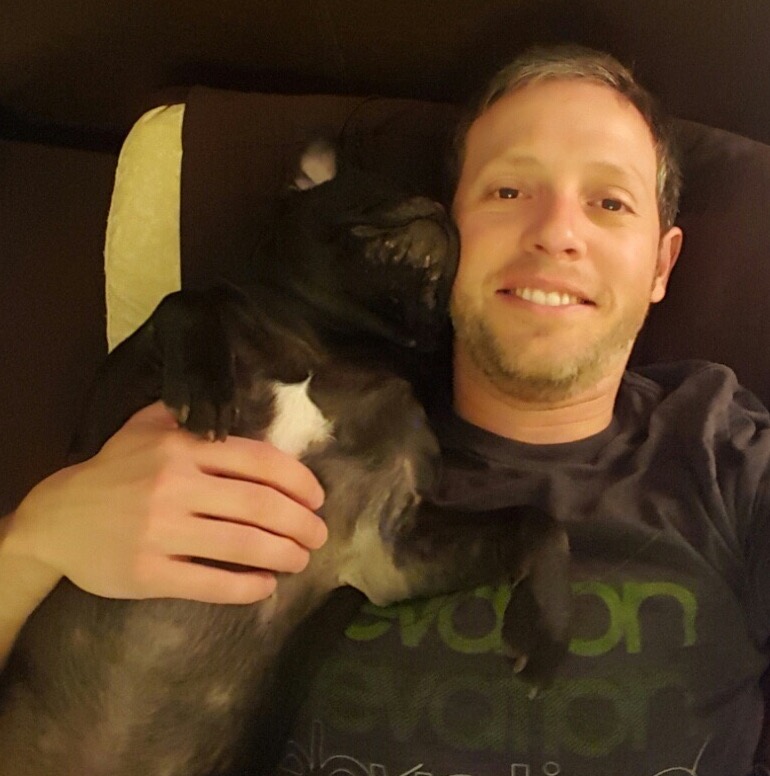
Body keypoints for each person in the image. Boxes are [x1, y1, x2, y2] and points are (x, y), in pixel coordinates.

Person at [0, 43, 767, 775]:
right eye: (508, 192)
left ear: (662, 262)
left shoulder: (726, 453)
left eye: (609, 201)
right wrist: (33, 545)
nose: (556, 233)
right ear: (446, 228)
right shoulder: (338, 415)